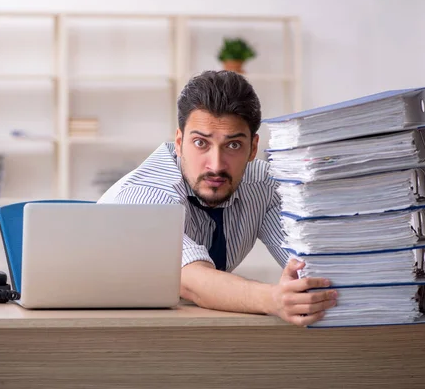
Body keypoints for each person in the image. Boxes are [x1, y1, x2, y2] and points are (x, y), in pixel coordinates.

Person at [97, 70, 337, 327]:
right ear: (178, 143)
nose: (216, 165)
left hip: (189, 326)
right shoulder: (144, 195)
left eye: (233, 145)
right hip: (100, 327)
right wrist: (273, 298)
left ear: (253, 148)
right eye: (201, 143)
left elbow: (311, 265)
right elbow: (192, 281)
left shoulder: (264, 185)